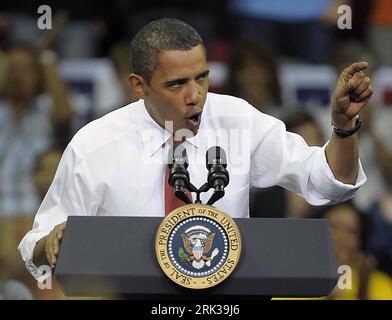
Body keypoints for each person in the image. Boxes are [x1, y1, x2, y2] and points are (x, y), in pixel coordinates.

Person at [19, 18, 372, 282]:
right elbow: (37, 246)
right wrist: (51, 241)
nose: (195, 95)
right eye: (177, 84)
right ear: (139, 86)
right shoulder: (95, 145)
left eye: (201, 77)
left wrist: (343, 127)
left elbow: (329, 181)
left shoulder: (238, 120)